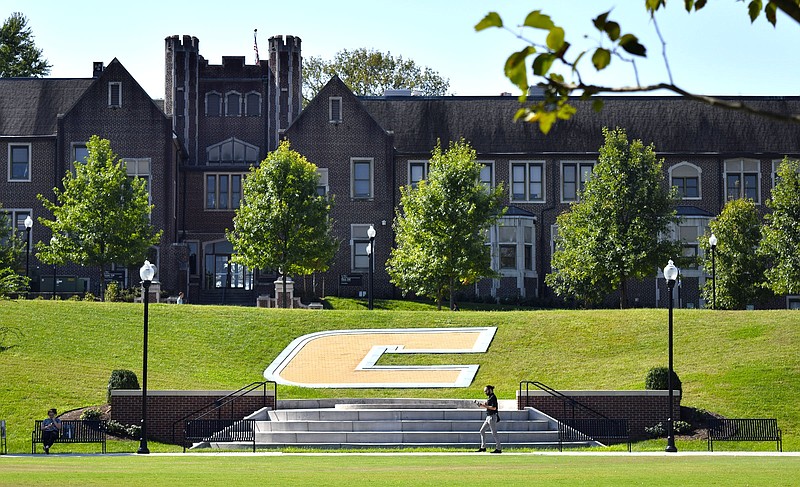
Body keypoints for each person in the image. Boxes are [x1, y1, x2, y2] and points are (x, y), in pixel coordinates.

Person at [476, 385, 501, 453]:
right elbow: (487, 404)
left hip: (492, 417)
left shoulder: (493, 397)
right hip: (488, 417)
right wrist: (481, 404)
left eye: (486, 391)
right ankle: (483, 447)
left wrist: (484, 406)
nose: (485, 392)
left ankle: (498, 448)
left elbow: (494, 408)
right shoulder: (490, 397)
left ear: (490, 390)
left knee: (494, 433)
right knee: (482, 430)